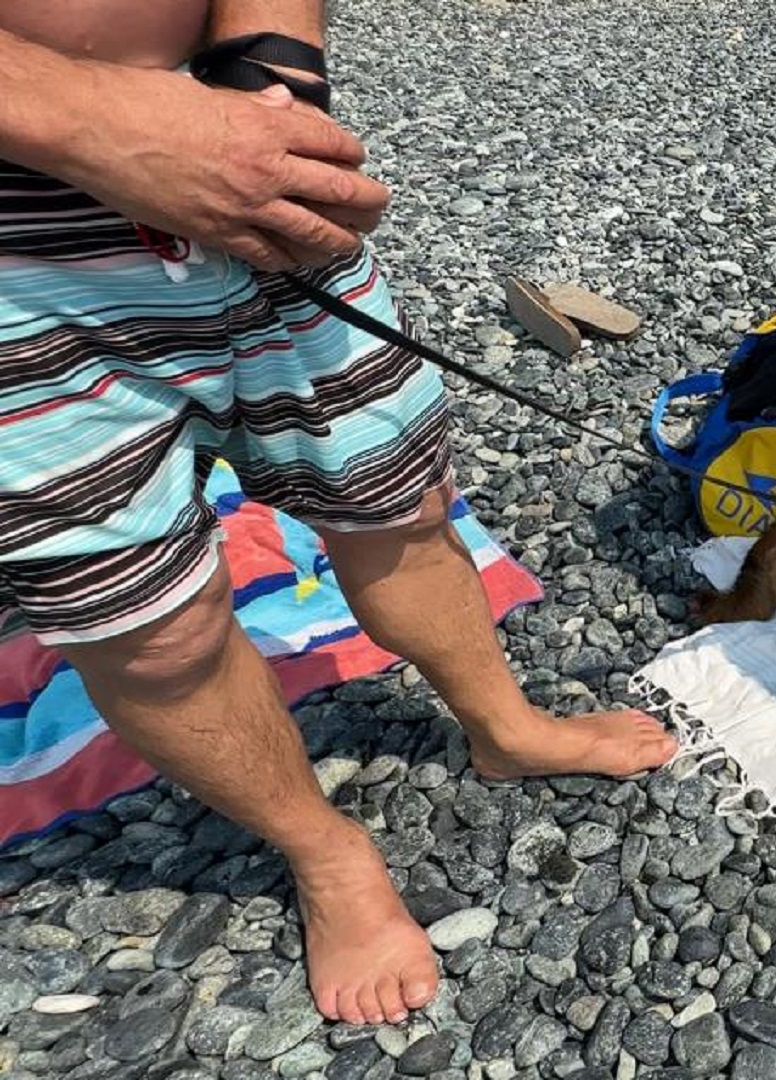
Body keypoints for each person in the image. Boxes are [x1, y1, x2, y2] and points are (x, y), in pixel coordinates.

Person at [0, 2, 677, 1025]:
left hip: (249, 182)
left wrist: (274, 94)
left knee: (396, 505)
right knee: (147, 634)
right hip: (19, 283)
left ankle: (503, 726)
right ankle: (325, 850)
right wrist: (84, 119)